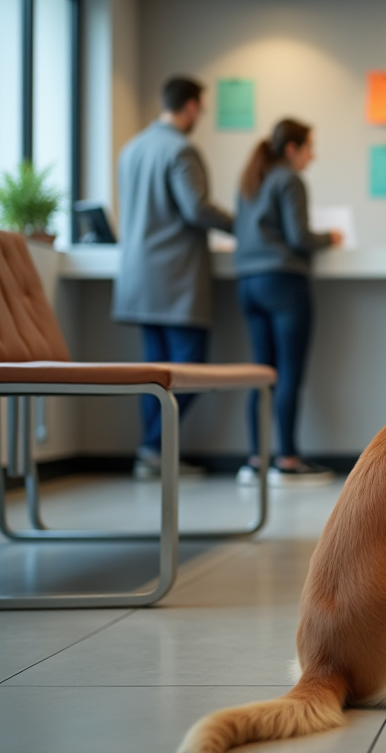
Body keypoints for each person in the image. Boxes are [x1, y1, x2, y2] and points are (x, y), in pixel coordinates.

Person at [113, 75, 233, 479]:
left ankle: (153, 452)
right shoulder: (181, 149)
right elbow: (196, 209)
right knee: (190, 368)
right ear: (192, 106)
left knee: (153, 372)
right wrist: (243, 226)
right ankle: (153, 448)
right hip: (175, 278)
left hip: (139, 276)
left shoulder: (132, 149)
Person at [233, 119, 341, 488]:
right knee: (289, 373)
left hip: (248, 283)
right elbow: (299, 238)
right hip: (283, 283)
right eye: (310, 148)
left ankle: (255, 461)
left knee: (260, 373)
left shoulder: (252, 178)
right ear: (292, 148)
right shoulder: (290, 179)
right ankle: (288, 460)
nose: (313, 156)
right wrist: (330, 237)